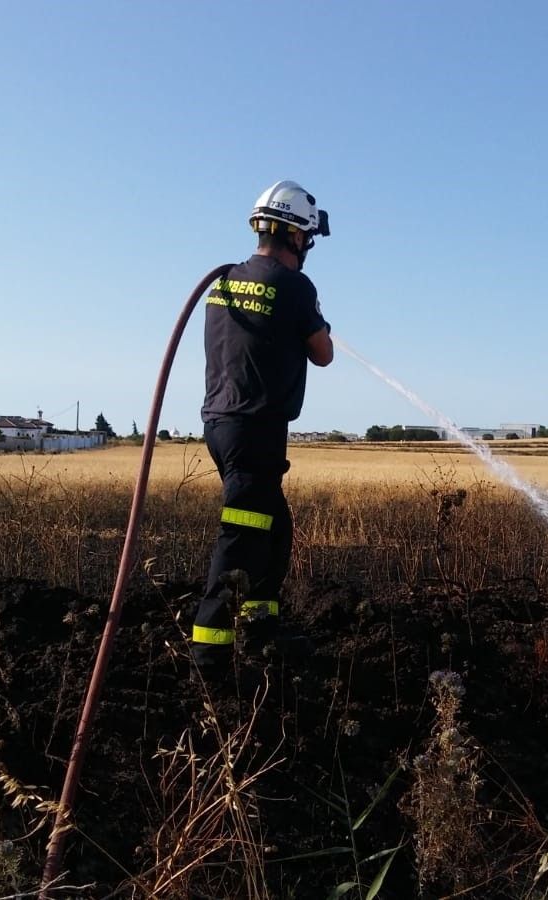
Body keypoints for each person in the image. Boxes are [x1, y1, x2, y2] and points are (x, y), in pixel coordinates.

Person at [191, 180, 333, 676]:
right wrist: (317, 323)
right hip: (255, 429)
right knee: (243, 536)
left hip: (222, 423)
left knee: (274, 527)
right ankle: (209, 656)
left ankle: (260, 626)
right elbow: (324, 355)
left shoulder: (225, 282)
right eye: (308, 240)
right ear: (296, 236)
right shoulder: (294, 286)